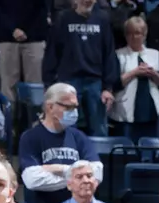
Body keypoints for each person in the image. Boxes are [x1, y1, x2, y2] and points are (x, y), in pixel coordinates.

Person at [17, 82, 99, 203]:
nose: (74, 112)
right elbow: (31, 179)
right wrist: (75, 177)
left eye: (75, 107)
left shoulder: (79, 137)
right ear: (50, 107)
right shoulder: (30, 137)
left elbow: (97, 172)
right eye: (68, 107)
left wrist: (57, 170)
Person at [43, 0, 116, 138]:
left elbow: (109, 54)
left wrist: (108, 87)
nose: (88, 2)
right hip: (68, 81)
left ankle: (98, 159)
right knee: (66, 127)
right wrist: (48, 82)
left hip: (95, 82)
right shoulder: (63, 18)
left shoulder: (103, 19)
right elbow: (52, 52)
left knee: (99, 128)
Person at [112, 14, 159, 146]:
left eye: (137, 33)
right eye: (129, 33)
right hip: (127, 110)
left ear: (144, 35)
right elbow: (114, 83)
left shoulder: (155, 54)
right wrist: (134, 72)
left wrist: (153, 73)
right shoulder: (118, 55)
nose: (133, 37)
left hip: (151, 110)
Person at [0, 0, 46, 103]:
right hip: (5, 38)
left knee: (35, 85)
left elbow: (42, 7)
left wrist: (26, 31)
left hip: (34, 37)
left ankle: (35, 117)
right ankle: (9, 118)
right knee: (8, 84)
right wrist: (12, 30)